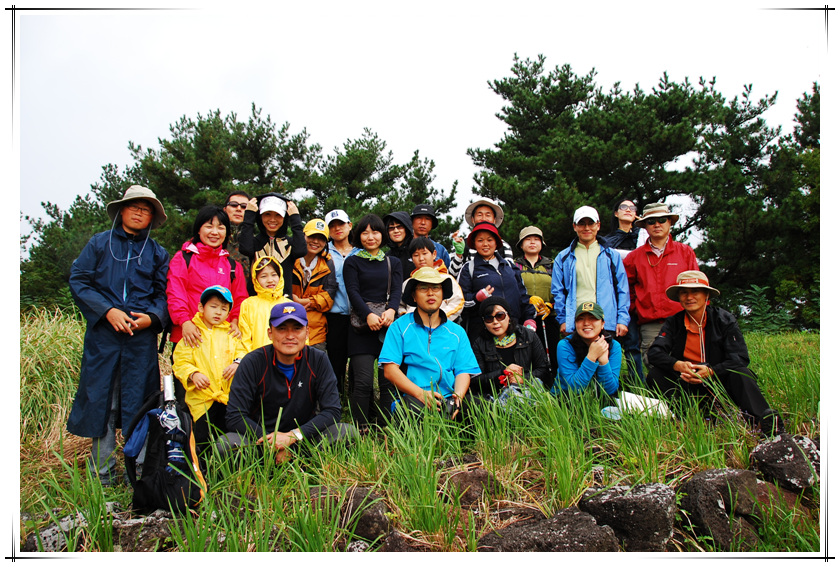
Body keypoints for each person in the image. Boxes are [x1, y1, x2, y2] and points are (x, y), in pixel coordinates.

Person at [67, 185, 169, 485]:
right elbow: (79, 280)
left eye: (146, 208)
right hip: (104, 339)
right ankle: (103, 474)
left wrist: (151, 318)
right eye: (134, 206)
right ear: (121, 210)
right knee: (104, 403)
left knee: (142, 404)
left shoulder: (157, 253)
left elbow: (165, 293)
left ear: (152, 216)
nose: (139, 212)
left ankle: (138, 470)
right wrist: (107, 310)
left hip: (141, 341)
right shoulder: (99, 244)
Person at [647, 271, 785, 436]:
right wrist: (678, 365)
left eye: (695, 292)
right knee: (656, 374)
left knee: (741, 373)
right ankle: (681, 417)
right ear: (679, 297)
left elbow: (740, 358)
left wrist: (711, 371)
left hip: (719, 380)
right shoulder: (674, 322)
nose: (689, 297)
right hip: (687, 380)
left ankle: (765, 421)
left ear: (706, 295)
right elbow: (655, 352)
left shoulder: (724, 320)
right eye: (684, 292)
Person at [220, 302, 357, 464]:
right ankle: (263, 468)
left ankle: (308, 466)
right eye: (282, 328)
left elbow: (332, 411)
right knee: (226, 444)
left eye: (297, 328)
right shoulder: (252, 362)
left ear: (307, 332)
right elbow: (235, 415)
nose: (290, 336)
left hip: (304, 439)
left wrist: (293, 437)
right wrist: (273, 442)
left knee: (347, 432)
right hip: (261, 441)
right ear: (270, 333)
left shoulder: (318, 360)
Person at [380, 267, 480, 418]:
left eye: (436, 288)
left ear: (443, 295)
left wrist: (457, 398)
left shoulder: (457, 332)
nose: (430, 293)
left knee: (481, 408)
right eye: (423, 288)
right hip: (414, 396)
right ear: (413, 296)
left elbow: (463, 370)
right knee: (412, 412)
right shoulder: (399, 327)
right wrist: (421, 394)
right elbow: (389, 370)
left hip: (449, 397)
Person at [343, 213, 403, 430]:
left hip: (387, 327)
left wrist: (391, 311)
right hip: (361, 327)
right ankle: (360, 427)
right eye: (365, 232)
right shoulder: (352, 262)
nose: (370, 236)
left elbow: (396, 289)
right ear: (358, 236)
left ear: (382, 234)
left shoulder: (392, 262)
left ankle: (386, 426)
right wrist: (368, 314)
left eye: (375, 231)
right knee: (363, 381)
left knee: (388, 381)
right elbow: (352, 291)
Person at [624, 202, 699, 370]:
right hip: (651, 324)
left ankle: (685, 397)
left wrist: (698, 316)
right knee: (654, 365)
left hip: (684, 320)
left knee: (688, 364)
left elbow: (698, 287)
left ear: (670, 222)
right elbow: (626, 290)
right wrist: (638, 308)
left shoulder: (685, 252)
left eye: (662, 219)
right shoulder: (634, 257)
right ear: (644, 226)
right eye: (651, 221)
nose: (657, 224)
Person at [172, 285, 248, 450]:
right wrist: (193, 374)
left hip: (227, 398)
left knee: (225, 437)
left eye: (223, 309)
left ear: (229, 313)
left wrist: (237, 363)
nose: (218, 312)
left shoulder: (231, 334)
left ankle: (224, 472)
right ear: (201, 307)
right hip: (202, 400)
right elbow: (180, 361)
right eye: (213, 307)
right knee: (202, 439)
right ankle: (202, 471)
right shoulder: (193, 333)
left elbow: (243, 352)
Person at [167, 205, 249, 349]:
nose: (215, 232)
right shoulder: (183, 258)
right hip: (188, 336)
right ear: (199, 229)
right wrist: (185, 322)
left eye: (221, 228)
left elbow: (239, 300)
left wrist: (235, 322)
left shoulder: (233, 266)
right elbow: (175, 293)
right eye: (209, 226)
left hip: (222, 340)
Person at [550, 205, 630, 341]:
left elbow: (622, 289)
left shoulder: (612, 256)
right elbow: (558, 292)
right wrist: (563, 319)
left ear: (598, 225)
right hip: (576, 322)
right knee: (579, 361)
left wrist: (622, 319)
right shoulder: (563, 258)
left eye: (591, 223)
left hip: (606, 321)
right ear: (574, 226)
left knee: (607, 361)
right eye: (582, 224)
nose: (586, 228)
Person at [458, 222, 537, 340]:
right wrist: (477, 298)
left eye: (490, 240)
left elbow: (522, 295)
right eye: (480, 240)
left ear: (496, 243)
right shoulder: (469, 268)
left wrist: (529, 318)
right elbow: (460, 302)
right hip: (482, 335)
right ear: (474, 244)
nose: (485, 244)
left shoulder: (509, 265)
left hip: (515, 331)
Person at [471, 297, 552, 401]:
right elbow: (476, 380)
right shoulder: (479, 343)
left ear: (508, 316)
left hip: (531, 395)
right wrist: (503, 373)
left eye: (500, 316)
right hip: (496, 399)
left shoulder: (528, 336)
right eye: (489, 318)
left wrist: (523, 378)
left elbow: (544, 370)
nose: (495, 322)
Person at [239, 191, 306, 298]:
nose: (272, 219)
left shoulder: (289, 243)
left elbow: (301, 250)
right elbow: (245, 249)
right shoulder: (256, 242)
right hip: (257, 303)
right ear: (260, 216)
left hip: (283, 303)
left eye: (278, 215)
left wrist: (295, 218)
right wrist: (249, 215)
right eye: (267, 214)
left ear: (285, 217)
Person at [513, 226, 560, 375]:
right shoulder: (514, 265)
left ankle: (552, 384)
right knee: (526, 355)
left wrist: (550, 306)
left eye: (536, 239)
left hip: (549, 318)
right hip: (523, 319)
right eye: (528, 239)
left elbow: (561, 290)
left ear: (542, 243)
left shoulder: (552, 265)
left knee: (552, 353)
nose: (532, 242)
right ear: (521, 244)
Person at [323, 209, 358, 397]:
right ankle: (335, 400)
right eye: (332, 226)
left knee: (357, 362)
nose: (337, 228)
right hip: (333, 315)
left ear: (349, 225)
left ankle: (355, 400)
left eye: (341, 224)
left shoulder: (361, 252)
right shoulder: (324, 251)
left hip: (358, 316)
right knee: (335, 360)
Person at [554, 302, 622, 398]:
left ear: (602, 324)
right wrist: (592, 357)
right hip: (566, 399)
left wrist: (604, 362)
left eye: (592, 318)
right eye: (580, 319)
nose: (586, 323)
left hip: (600, 400)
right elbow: (573, 388)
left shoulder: (613, 346)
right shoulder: (565, 345)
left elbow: (610, 390)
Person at [291, 219, 338, 352]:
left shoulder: (327, 263)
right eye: (312, 236)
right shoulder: (290, 258)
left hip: (316, 331)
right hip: (288, 325)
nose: (316, 242)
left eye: (321, 238)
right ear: (303, 236)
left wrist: (305, 302)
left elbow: (329, 296)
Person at [400, 236, 464, 322]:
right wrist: (407, 318)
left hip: (442, 327)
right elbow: (400, 304)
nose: (421, 258)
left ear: (434, 254)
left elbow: (457, 303)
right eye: (416, 255)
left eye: (424, 253)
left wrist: (438, 319)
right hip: (413, 329)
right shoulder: (409, 282)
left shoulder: (446, 279)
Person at [449, 198, 513, 278]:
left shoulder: (504, 246)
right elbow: (452, 275)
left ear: (494, 220)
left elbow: (511, 274)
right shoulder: (462, 244)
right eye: (479, 215)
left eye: (488, 215)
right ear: (473, 219)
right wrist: (458, 254)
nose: (483, 219)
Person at [238, 255, 290, 351]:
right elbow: (244, 339)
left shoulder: (289, 305)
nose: (270, 280)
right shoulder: (248, 304)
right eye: (263, 276)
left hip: (285, 360)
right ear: (255, 279)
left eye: (274, 275)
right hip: (256, 361)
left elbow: (300, 337)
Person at [223, 190, 253, 294]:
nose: (239, 209)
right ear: (225, 209)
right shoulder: (213, 239)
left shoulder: (255, 243)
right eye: (234, 205)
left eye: (244, 206)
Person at [410, 203, 451, 268]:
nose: (423, 222)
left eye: (427, 219)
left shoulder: (440, 250)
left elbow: (447, 273)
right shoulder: (403, 247)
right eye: (419, 218)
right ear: (412, 222)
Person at [383, 211, 415, 280]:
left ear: (406, 228)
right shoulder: (386, 257)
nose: (396, 231)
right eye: (391, 228)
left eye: (399, 227)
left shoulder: (417, 251)